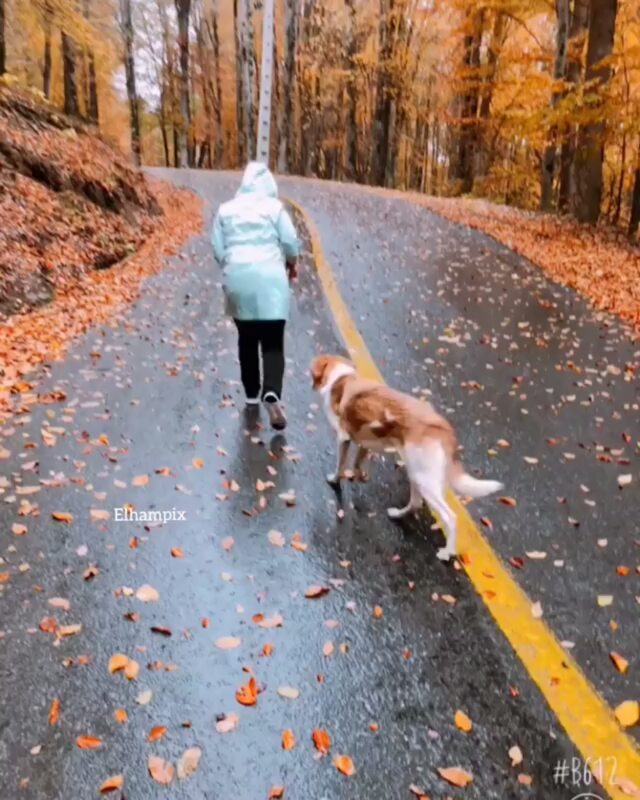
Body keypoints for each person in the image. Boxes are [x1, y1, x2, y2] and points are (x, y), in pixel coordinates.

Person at [211, 162, 300, 430]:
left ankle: (251, 393)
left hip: (238, 280)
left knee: (247, 338)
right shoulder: (275, 209)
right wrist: (292, 263)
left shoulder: (225, 210)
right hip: (271, 279)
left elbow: (217, 247)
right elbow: (290, 241)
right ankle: (271, 391)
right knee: (273, 340)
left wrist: (232, 267)